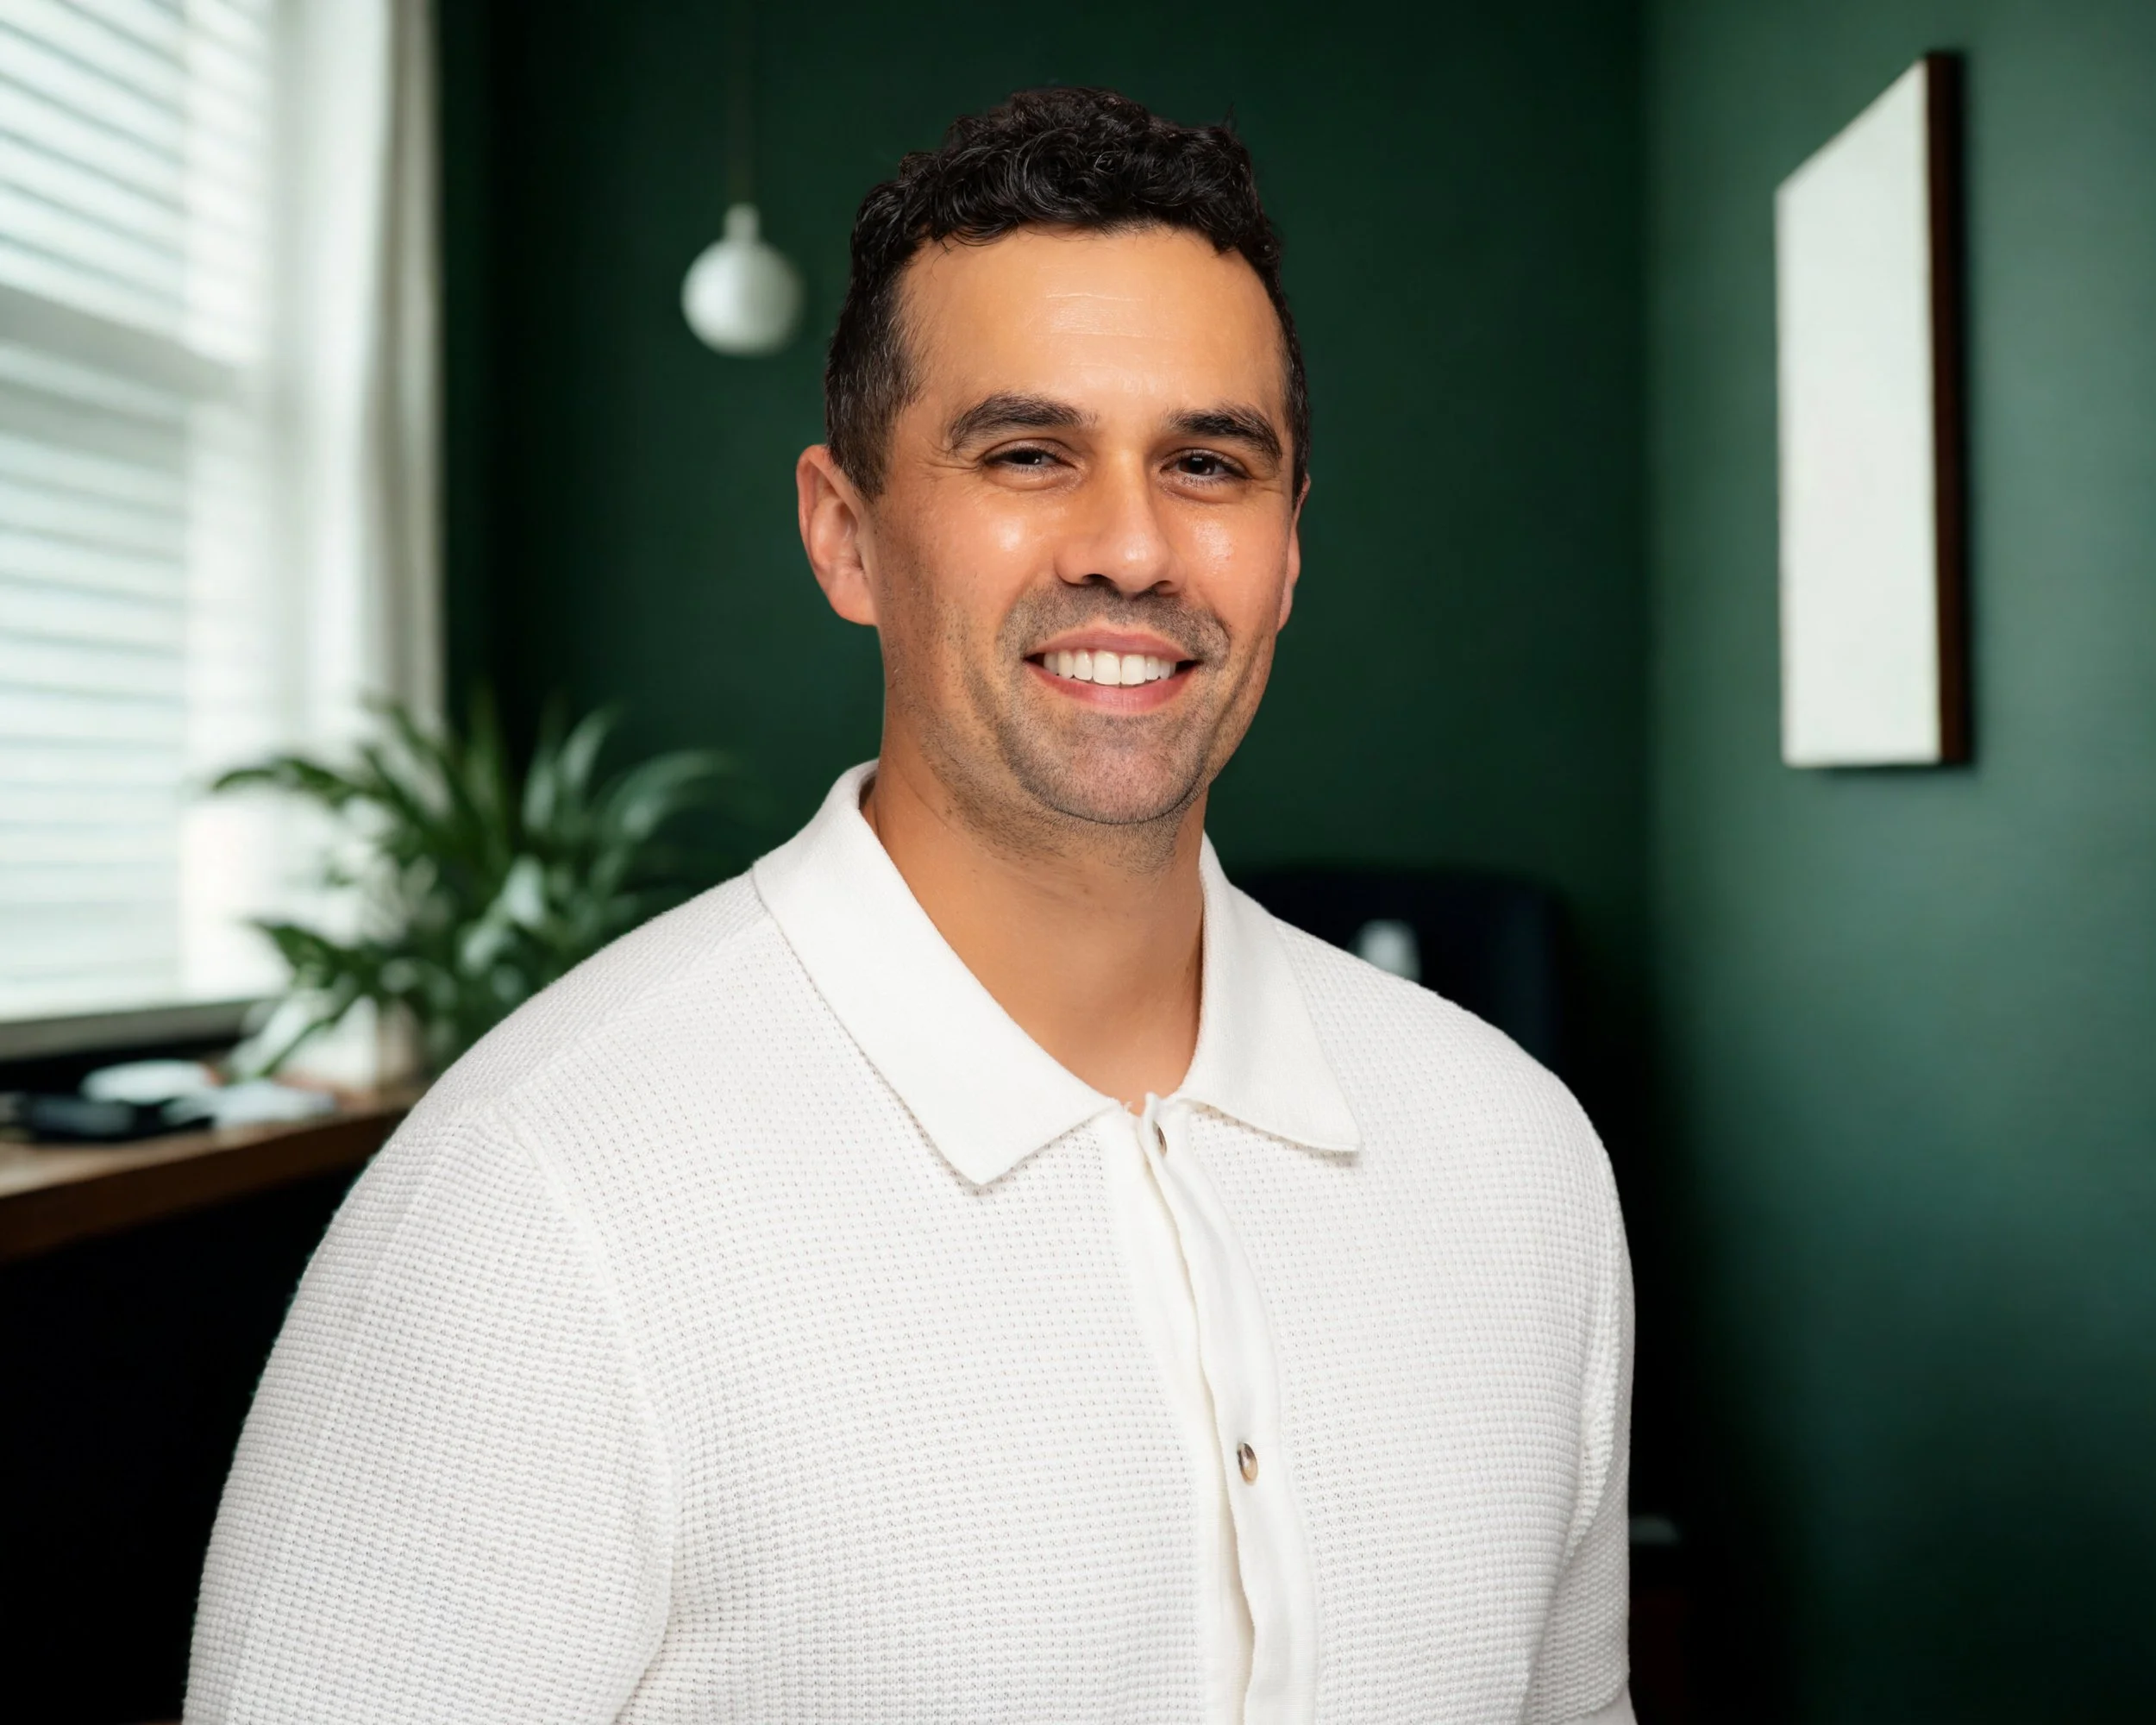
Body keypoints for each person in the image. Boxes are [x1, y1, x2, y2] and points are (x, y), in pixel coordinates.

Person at [187, 87, 1633, 1725]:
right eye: (1028, 454)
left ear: (1289, 549)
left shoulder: (1520, 1161)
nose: (1134, 548)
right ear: (846, 535)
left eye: (1209, 464)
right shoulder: (530, 1209)